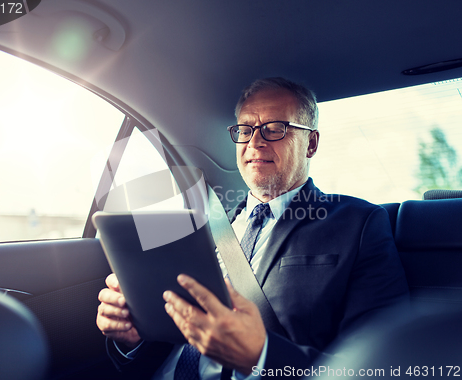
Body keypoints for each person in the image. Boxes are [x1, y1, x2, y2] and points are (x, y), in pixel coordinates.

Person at [96, 77, 409, 378]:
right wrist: (132, 339)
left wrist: (262, 357)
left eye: (275, 129)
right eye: (245, 130)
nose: (255, 141)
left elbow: (384, 364)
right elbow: (174, 337)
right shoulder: (203, 229)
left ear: (311, 143)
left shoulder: (360, 224)